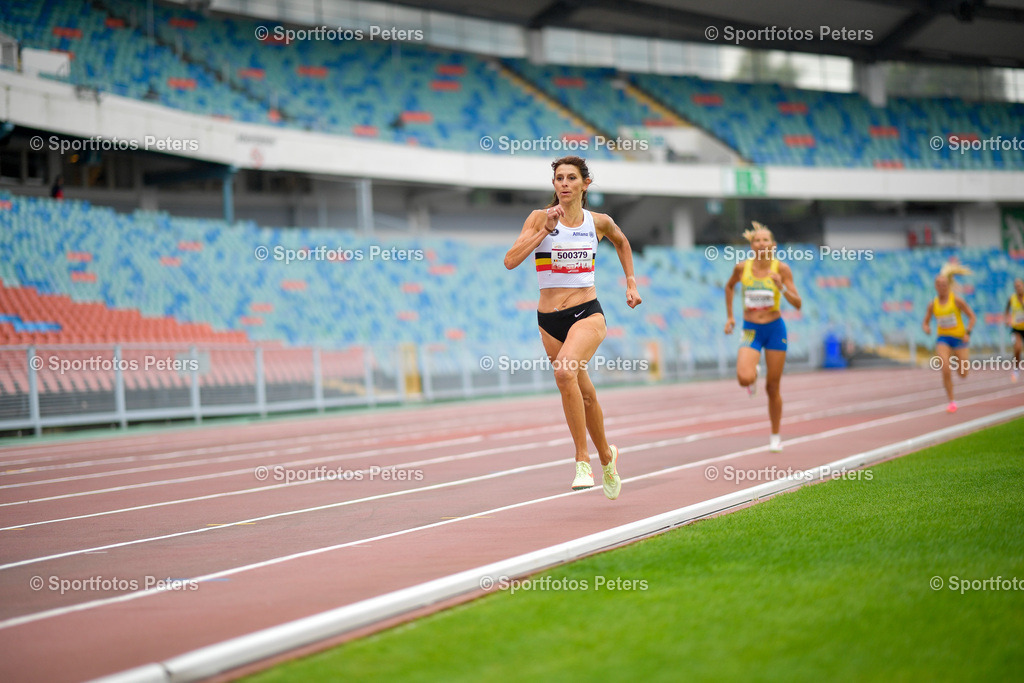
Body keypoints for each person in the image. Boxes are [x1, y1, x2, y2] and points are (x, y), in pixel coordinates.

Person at [504, 156, 642, 498]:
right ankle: (608, 456)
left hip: (587, 313)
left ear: (585, 184)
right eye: (558, 178)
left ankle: (583, 460)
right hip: (549, 320)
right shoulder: (539, 218)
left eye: (570, 178)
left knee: (565, 373)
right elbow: (510, 260)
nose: (563, 184)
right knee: (585, 393)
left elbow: (622, 242)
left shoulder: (599, 222)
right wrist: (543, 232)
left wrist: (631, 282)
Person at [724, 222, 802, 452]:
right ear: (751, 245)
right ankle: (753, 372)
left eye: (765, 240)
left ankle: (775, 435)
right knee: (743, 378)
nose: (761, 243)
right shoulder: (741, 268)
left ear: (773, 245)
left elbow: (798, 304)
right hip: (751, 329)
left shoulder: (782, 269)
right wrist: (730, 317)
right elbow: (729, 287)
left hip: (775, 329)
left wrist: (782, 288)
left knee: (772, 387)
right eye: (757, 240)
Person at [922, 264, 976, 413]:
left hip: (959, 339)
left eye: (944, 284)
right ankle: (952, 401)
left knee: (963, 374)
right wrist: (926, 328)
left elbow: (972, 317)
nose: (941, 287)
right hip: (943, 338)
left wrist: (968, 332)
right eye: (938, 284)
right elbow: (925, 322)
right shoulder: (933, 304)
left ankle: (960, 365)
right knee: (945, 368)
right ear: (935, 286)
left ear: (948, 285)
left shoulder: (957, 301)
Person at [1005, 277, 1024, 382]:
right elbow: (1006, 310)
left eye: (1019, 286)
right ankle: (1016, 369)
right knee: (1017, 348)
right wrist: (1007, 319)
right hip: (1016, 328)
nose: (1018, 288)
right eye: (1016, 287)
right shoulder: (1011, 298)